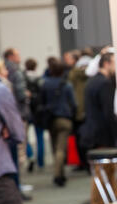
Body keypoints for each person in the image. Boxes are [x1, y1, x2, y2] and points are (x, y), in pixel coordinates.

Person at [80, 52, 117, 204]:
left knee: (104, 170)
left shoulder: (91, 82)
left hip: (93, 130)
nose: (116, 67)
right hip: (102, 133)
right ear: (106, 64)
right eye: (114, 63)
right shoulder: (104, 83)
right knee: (104, 170)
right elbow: (108, 113)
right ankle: (98, 202)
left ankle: (110, 199)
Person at [41, 58, 76, 187]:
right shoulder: (67, 85)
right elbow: (73, 103)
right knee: (61, 149)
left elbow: (42, 101)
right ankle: (58, 175)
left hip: (50, 119)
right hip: (64, 119)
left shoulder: (45, 84)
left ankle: (60, 174)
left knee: (55, 147)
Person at [3, 48, 31, 200]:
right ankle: (16, 188)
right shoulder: (11, 77)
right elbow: (19, 95)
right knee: (18, 155)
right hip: (16, 119)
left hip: (12, 122)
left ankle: (16, 187)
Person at [68, 50, 92, 171]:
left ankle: (83, 163)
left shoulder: (73, 74)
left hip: (77, 110)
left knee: (79, 138)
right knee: (86, 137)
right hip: (87, 109)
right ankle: (87, 163)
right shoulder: (90, 75)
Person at [24, 58, 44, 171]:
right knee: (39, 137)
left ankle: (30, 155)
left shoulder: (23, 79)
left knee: (25, 137)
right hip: (38, 111)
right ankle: (41, 162)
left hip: (27, 111)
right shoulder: (39, 79)